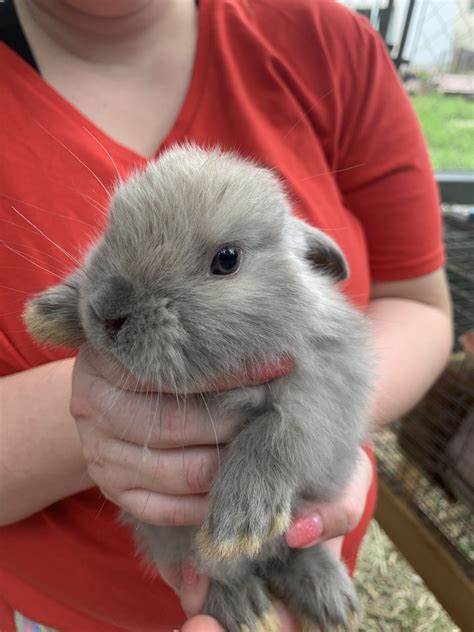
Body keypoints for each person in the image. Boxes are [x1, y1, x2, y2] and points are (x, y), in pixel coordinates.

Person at [0, 0, 453, 631]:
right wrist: (90, 411)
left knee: (301, 510)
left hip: (317, 529)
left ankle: (301, 560)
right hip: (65, 605)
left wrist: (293, 441)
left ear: (307, 255)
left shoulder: (330, 41)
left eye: (223, 261)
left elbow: (420, 304)